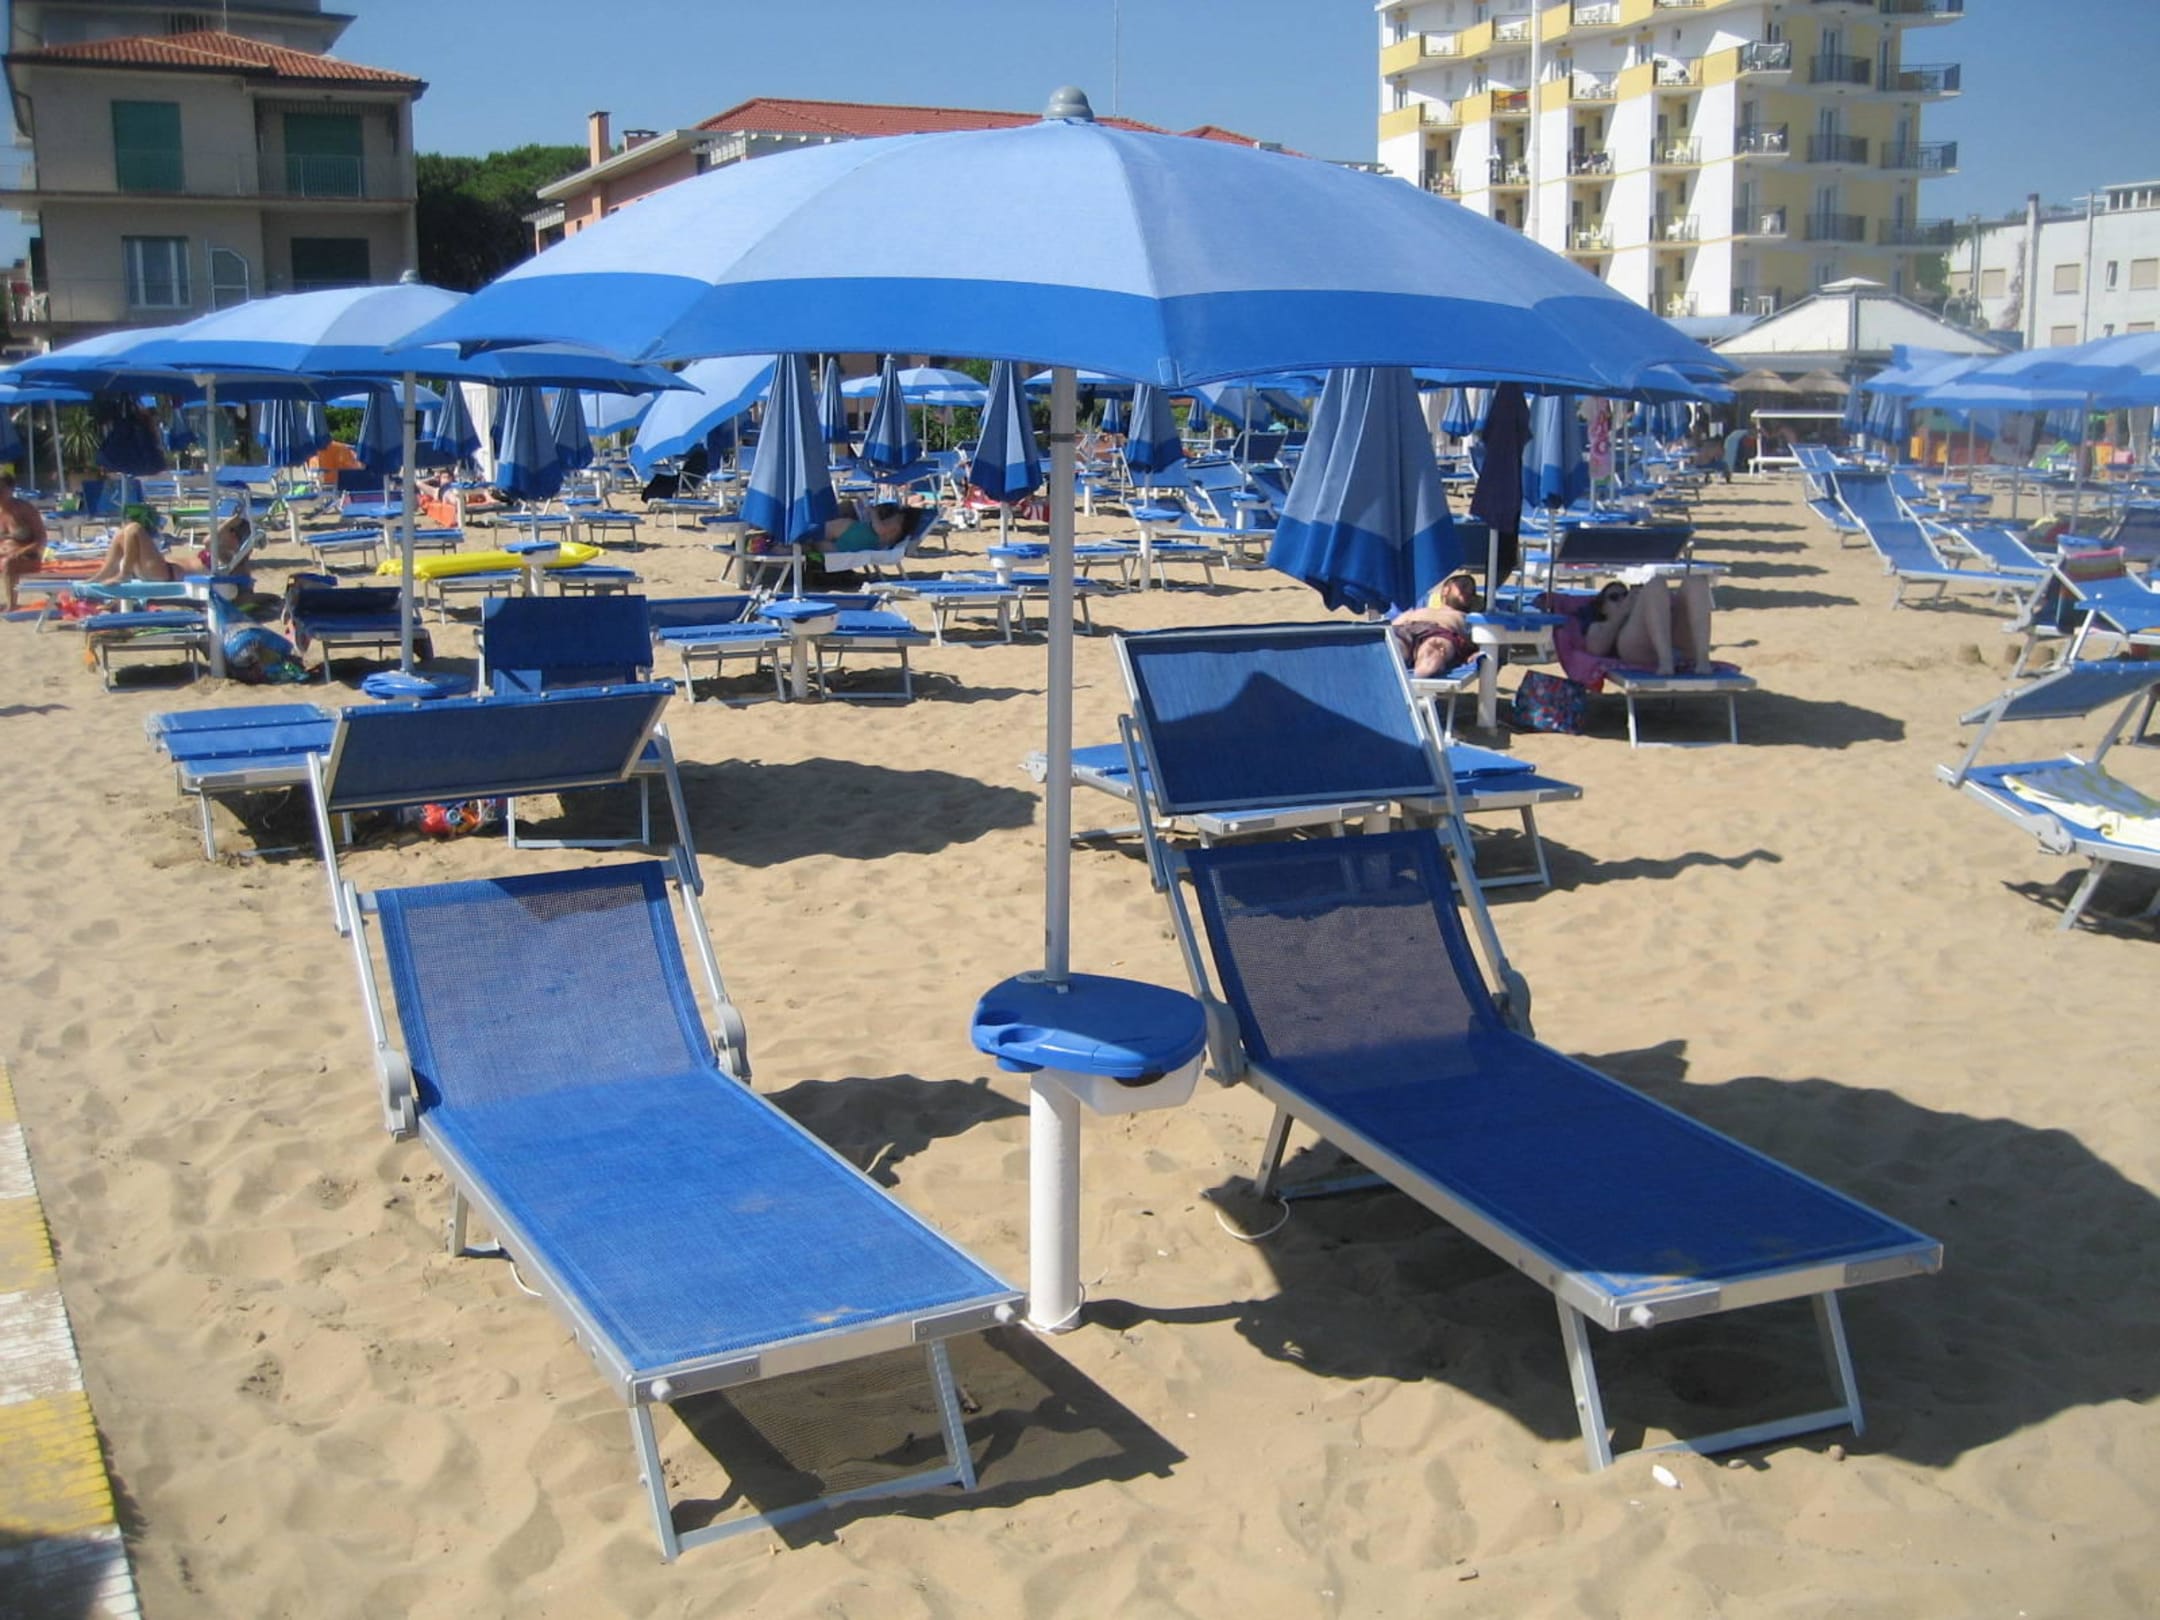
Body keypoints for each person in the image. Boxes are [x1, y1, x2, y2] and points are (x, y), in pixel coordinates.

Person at [1575, 574, 1714, 677]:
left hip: (1675, 643)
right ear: (1602, 608)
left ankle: (1703, 659)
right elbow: (1596, 650)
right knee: (1655, 583)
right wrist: (1622, 612)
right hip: (1639, 649)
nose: (1623, 599)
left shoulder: (1648, 606)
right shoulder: (1598, 626)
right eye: (1614, 597)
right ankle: (1666, 661)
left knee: (1696, 580)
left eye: (1625, 594)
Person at [1390, 569, 1482, 679]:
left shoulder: (1469, 617)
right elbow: (1391, 627)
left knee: (1434, 648)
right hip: (1407, 629)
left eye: (1472, 591)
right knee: (1395, 645)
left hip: (1441, 632)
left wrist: (1480, 652)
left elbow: (1483, 639)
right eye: (1463, 586)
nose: (1468, 592)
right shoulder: (1419, 610)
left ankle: (1423, 673)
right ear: (1445, 590)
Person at [86, 507, 183, 585]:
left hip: (167, 575)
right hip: (156, 571)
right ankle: (105, 573)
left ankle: (124, 574)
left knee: (134, 528)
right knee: (121, 533)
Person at [0, 470, 48, 611]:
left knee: (9, 562)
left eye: (1, 488)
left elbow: (41, 539)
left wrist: (20, 552)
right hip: (4, 555)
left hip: (28, 556)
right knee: (7, 560)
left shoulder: (25, 509)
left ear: (11, 489)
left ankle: (11, 605)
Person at [820, 502, 913, 555]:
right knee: (821, 544)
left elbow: (880, 530)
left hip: (856, 535)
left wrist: (873, 512)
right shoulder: (899, 523)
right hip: (856, 535)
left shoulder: (899, 522)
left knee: (817, 537)